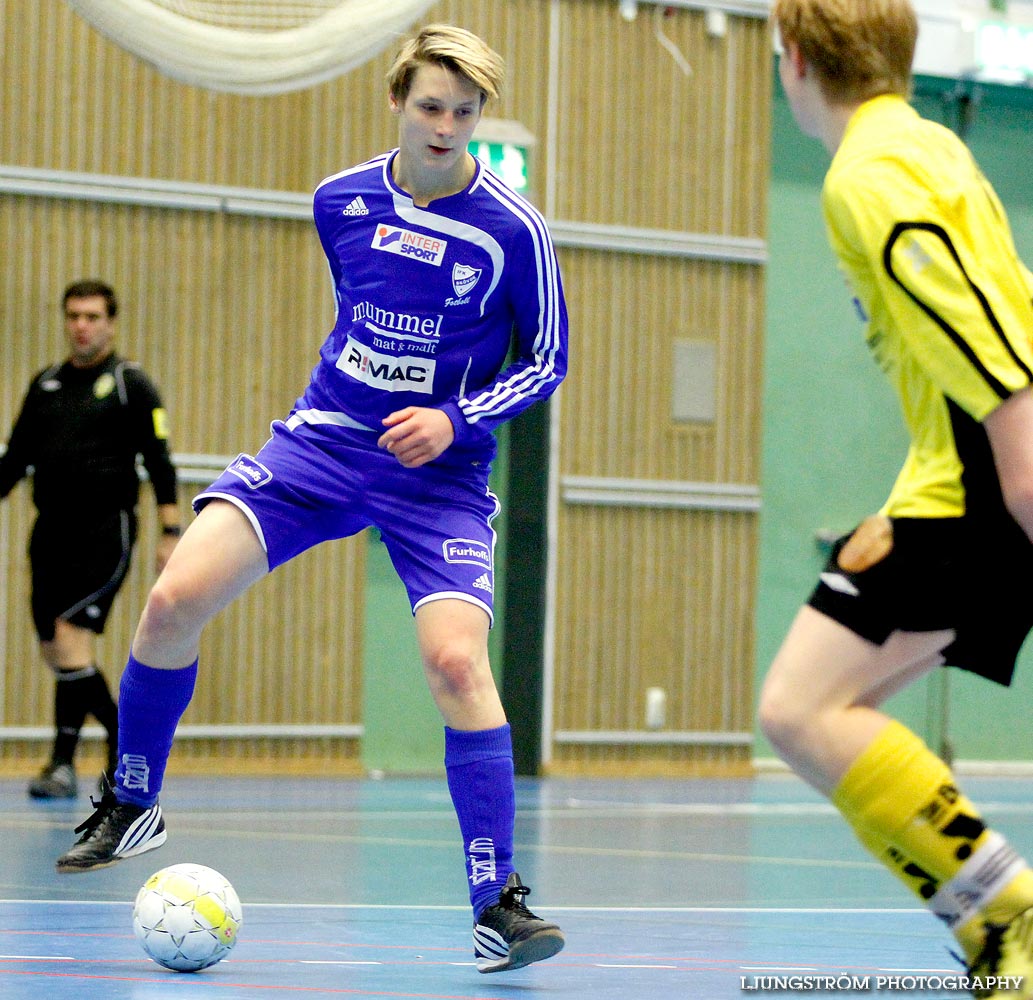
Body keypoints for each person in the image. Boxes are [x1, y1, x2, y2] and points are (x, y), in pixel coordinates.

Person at [55, 25, 568, 975]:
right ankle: (132, 802)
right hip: (324, 444)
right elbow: (356, 321)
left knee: (457, 665)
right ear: (395, 102)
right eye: (430, 106)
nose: (448, 125)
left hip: (440, 478)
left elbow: (545, 362)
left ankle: (497, 904)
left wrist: (454, 420)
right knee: (171, 601)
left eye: (465, 110)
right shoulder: (338, 201)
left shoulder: (514, 232)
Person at [760, 2, 1033, 996]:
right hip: (952, 486)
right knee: (837, 702)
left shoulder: (867, 178)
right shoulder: (927, 144)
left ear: (793, 59)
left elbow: (987, 340)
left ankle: (1007, 916)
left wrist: (1022, 483)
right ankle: (997, 931)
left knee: (798, 706)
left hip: (980, 489)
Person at [0, 279, 181, 800]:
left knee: (69, 637)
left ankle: (91, 759)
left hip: (105, 532)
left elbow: (160, 461)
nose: (82, 326)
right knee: (59, 652)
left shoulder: (131, 384)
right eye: (74, 316)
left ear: (110, 323)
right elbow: (14, 461)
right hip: (50, 532)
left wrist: (170, 531)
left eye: (93, 316)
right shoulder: (46, 384)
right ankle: (77, 761)